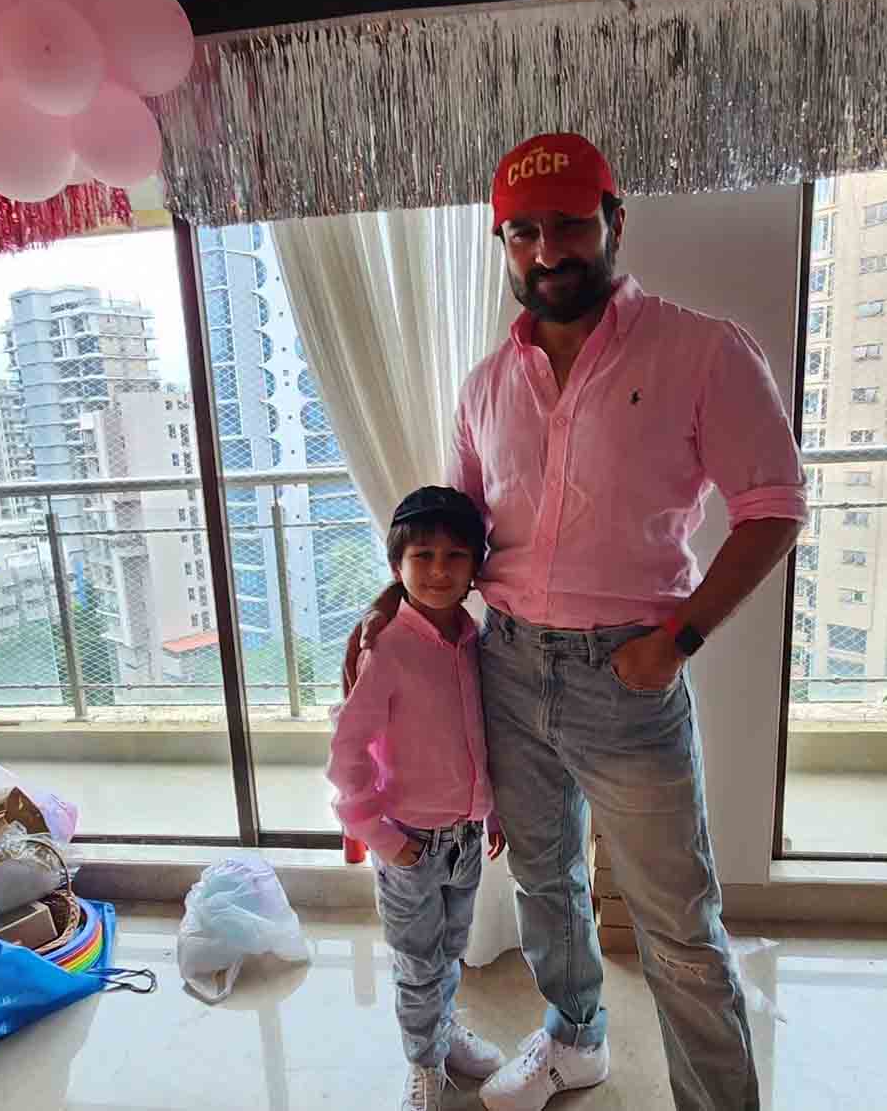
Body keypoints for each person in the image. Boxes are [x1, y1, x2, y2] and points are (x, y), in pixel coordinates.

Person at [344, 133, 808, 1111]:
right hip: (506, 666)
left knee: (678, 924)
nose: (548, 250)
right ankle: (577, 1041)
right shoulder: (483, 386)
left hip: (628, 673)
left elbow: (773, 506)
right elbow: (455, 532)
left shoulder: (700, 351)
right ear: (503, 242)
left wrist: (676, 641)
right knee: (548, 884)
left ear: (613, 223)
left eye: (568, 225)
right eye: (523, 233)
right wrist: (394, 601)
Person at [327, 485, 508, 1111]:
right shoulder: (387, 651)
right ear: (398, 564)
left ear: (475, 568)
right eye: (423, 555)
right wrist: (382, 836)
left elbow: (486, 735)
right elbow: (347, 753)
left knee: (450, 950)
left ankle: (444, 1031)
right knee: (417, 962)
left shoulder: (475, 641)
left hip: (464, 837)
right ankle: (424, 1063)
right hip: (407, 843)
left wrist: (494, 808)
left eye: (455, 556)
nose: (438, 570)